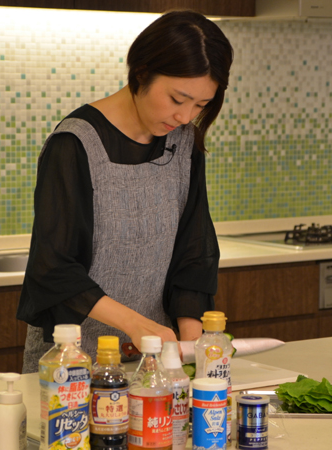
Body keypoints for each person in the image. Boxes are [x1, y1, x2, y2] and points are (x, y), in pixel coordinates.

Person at [17, 9, 234, 373]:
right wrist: (135, 324)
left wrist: (193, 349)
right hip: (72, 364)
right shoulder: (74, 144)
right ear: (141, 73)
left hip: (155, 364)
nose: (185, 116)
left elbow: (193, 254)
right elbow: (53, 268)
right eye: (178, 99)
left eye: (200, 105)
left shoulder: (182, 143)